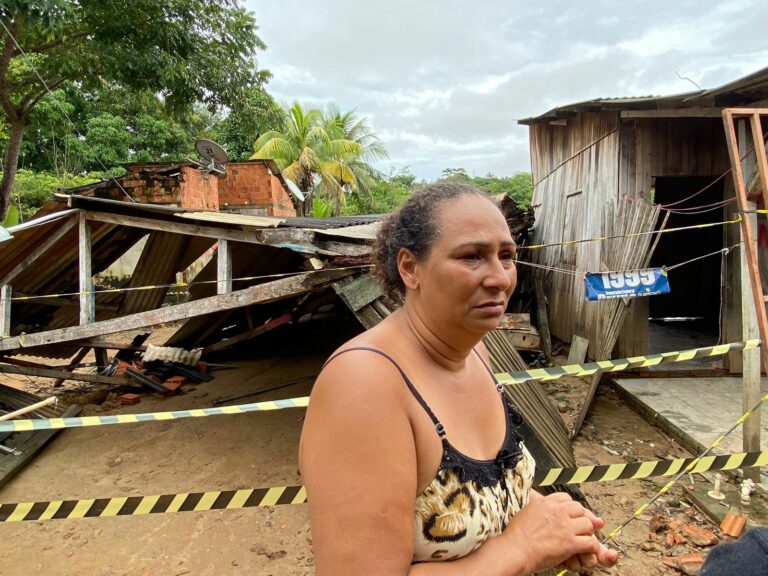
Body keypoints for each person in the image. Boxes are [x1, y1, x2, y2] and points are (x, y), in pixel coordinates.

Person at [299, 182, 618, 575]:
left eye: (507, 256)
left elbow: (491, 494)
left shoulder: (477, 353)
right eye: (472, 256)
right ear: (410, 269)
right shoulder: (364, 385)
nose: (500, 278)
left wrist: (556, 525)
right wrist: (523, 546)